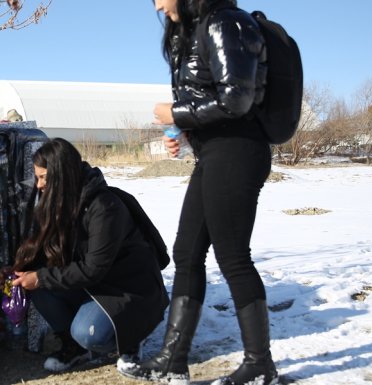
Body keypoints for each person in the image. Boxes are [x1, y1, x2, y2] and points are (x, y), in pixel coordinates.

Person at [118, 1, 277, 385]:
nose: (157, 4)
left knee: (233, 257)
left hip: (238, 152)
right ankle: (173, 361)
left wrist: (176, 114)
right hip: (214, 153)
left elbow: (237, 99)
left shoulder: (227, 22)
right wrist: (185, 134)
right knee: (187, 254)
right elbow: (211, 100)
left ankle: (260, 366)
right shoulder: (195, 29)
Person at [0, 138, 169, 373]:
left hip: (128, 288)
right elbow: (48, 252)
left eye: (44, 177)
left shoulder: (104, 207)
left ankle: (132, 336)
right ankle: (75, 348)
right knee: (39, 287)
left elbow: (93, 269)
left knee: (88, 333)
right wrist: (18, 272)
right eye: (37, 178)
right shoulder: (60, 202)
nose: (39, 185)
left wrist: (40, 277)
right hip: (94, 284)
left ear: (62, 175)